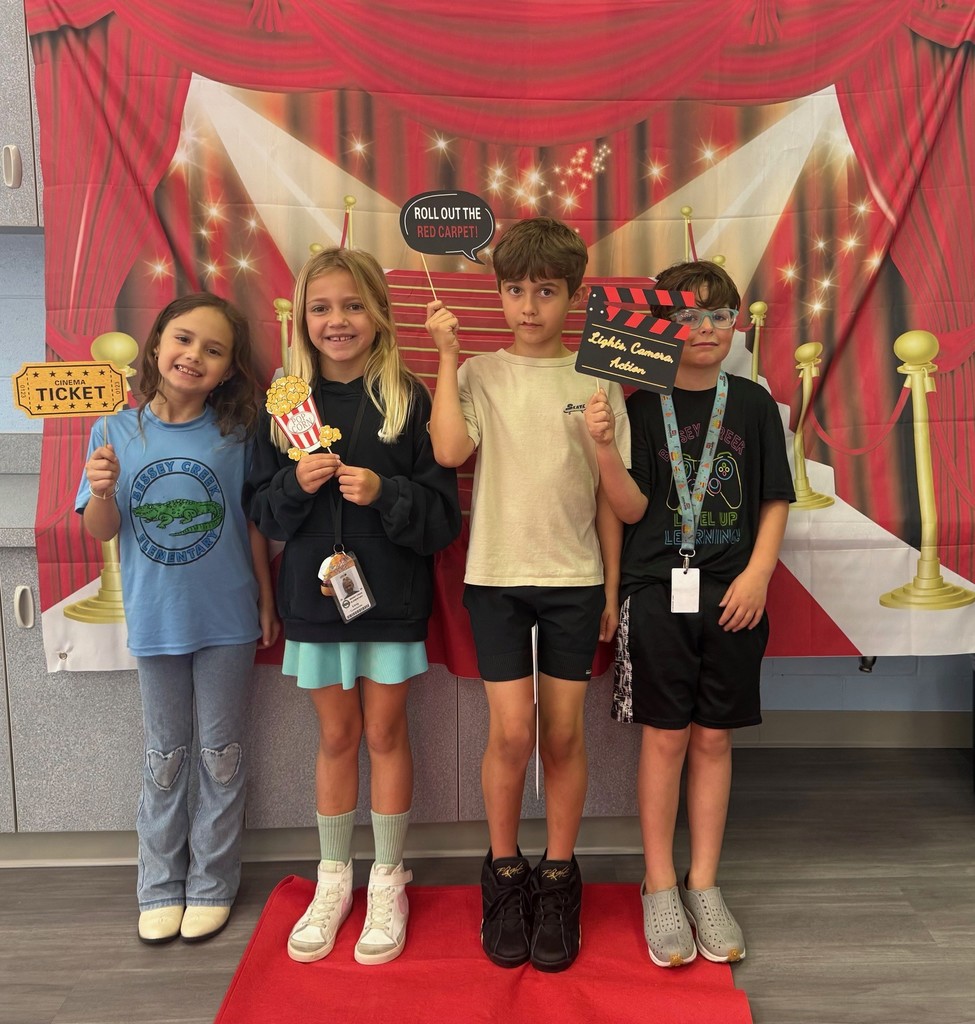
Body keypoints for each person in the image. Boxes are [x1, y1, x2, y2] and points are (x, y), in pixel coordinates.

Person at [246, 248, 461, 966]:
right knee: (336, 737)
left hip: (391, 597)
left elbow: (440, 517)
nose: (336, 321)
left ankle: (387, 877)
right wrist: (296, 486)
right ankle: (332, 877)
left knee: (384, 733)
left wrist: (387, 493)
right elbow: (262, 513)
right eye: (321, 307)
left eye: (351, 305)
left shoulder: (408, 396)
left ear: (377, 314)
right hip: (315, 595)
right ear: (301, 319)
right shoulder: (285, 401)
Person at [425, 217, 629, 973]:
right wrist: (447, 359)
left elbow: (616, 501)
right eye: (514, 290)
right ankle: (503, 872)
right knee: (511, 733)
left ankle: (558, 875)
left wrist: (609, 586)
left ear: (572, 296)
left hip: (574, 581)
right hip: (497, 580)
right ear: (499, 293)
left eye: (545, 291)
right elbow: (450, 451)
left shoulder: (598, 375)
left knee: (564, 736)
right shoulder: (479, 371)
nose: (528, 306)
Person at [585, 260, 794, 968]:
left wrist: (760, 572)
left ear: (735, 322)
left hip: (734, 596)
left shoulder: (754, 403)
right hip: (655, 595)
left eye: (717, 314)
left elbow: (772, 497)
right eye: (686, 315)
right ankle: (660, 883)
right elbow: (625, 511)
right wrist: (614, 593)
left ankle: (703, 881)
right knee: (666, 740)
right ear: (659, 326)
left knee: (712, 740)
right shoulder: (640, 407)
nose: (703, 329)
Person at [77, 293, 280, 945]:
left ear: (227, 369)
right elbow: (100, 530)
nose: (194, 356)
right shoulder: (112, 431)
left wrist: (267, 600)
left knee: (221, 755)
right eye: (184, 340)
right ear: (157, 342)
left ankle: (213, 882)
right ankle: (160, 882)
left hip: (228, 619)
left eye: (213, 350)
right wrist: (102, 490)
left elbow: (252, 523)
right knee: (165, 755)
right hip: (157, 620)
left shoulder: (238, 434)